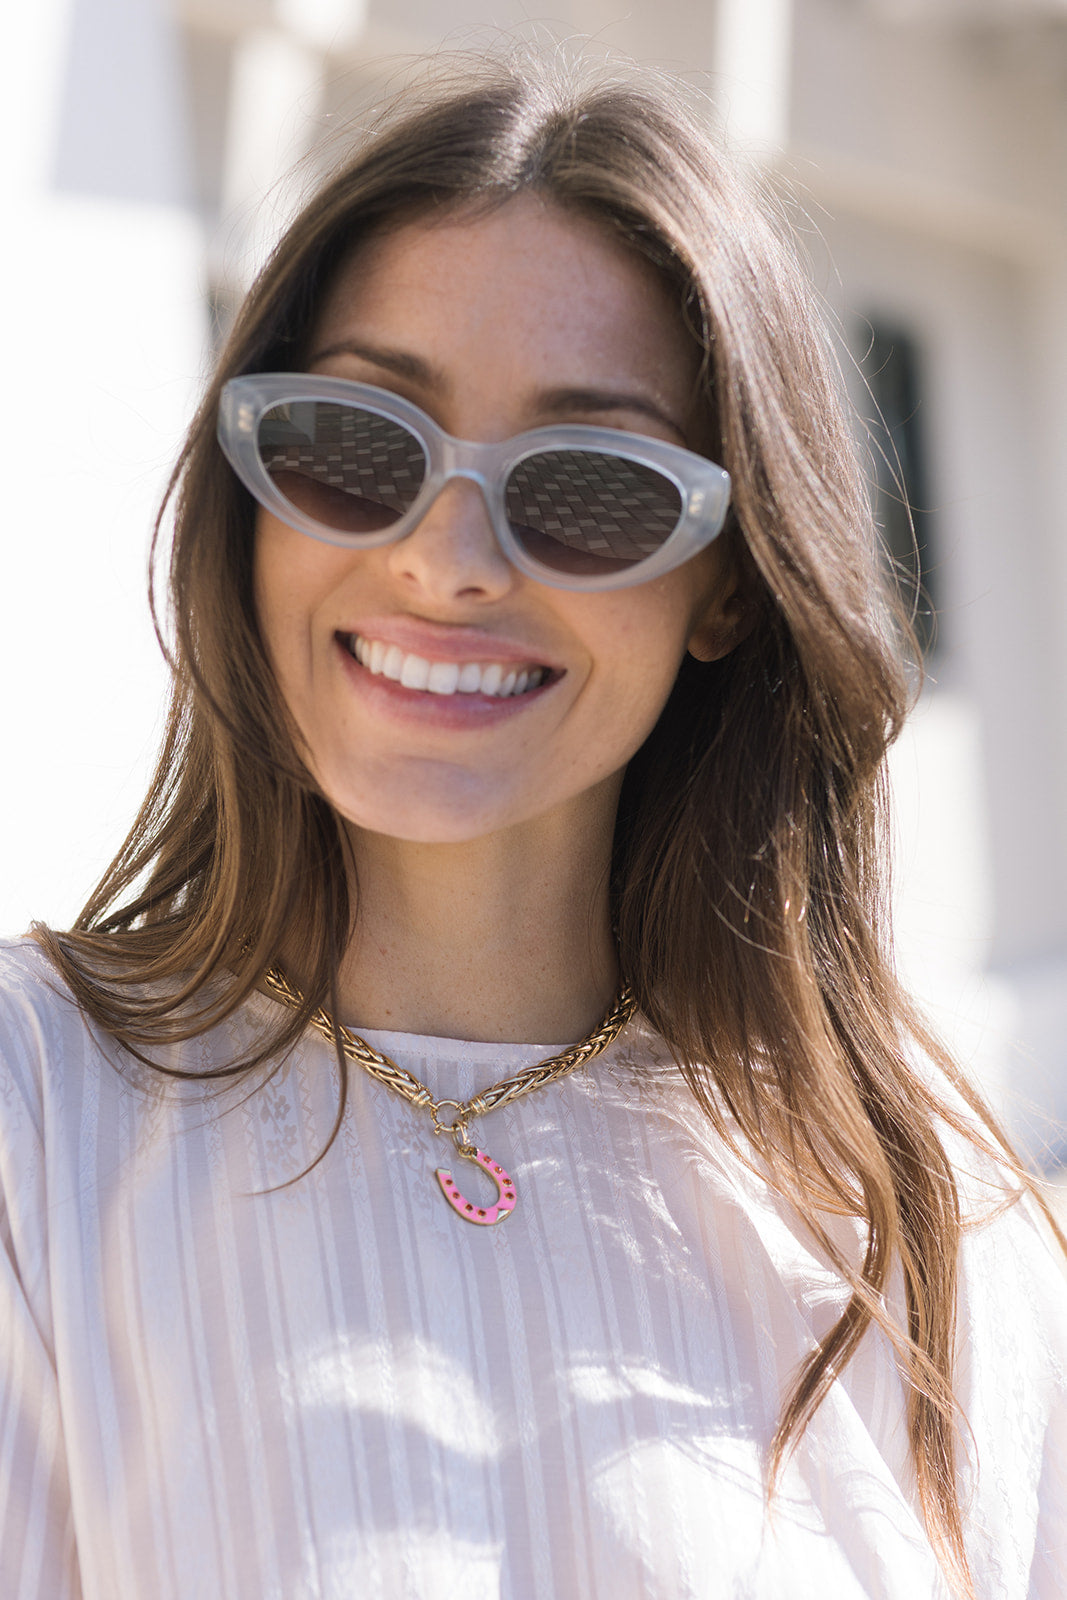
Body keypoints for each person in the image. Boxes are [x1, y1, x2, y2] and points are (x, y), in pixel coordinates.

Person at [1, 49, 1064, 1600]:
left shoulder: (935, 1236)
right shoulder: (37, 1124)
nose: (450, 559)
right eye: (354, 445)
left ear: (725, 585)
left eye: (590, 485)